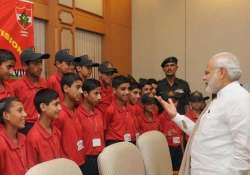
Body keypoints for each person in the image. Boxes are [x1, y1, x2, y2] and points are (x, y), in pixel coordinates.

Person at [156, 52, 250, 174]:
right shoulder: (221, 98)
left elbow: (245, 151)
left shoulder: (239, 99)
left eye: (207, 73)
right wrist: (175, 116)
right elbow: (200, 133)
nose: (204, 77)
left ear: (221, 73)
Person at [53, 73, 86, 172]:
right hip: (67, 167)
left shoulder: (77, 111)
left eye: (81, 87)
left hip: (81, 161)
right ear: (66, 88)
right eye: (77, 87)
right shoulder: (59, 114)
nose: (81, 91)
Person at [13, 48, 49, 134]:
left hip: (44, 123)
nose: (40, 67)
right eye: (36, 63)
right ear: (25, 65)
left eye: (41, 63)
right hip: (26, 127)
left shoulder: (45, 82)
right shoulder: (16, 86)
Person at [26, 88, 63, 168]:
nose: (60, 108)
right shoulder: (33, 137)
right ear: (43, 107)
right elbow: (32, 168)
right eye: (56, 104)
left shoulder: (56, 131)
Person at [76, 79, 105, 175]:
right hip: (87, 159)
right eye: (96, 93)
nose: (99, 97)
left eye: (100, 93)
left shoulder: (99, 113)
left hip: (101, 156)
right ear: (85, 93)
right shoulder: (77, 114)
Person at [104, 75, 137, 146]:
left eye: (129, 89)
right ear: (114, 90)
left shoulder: (131, 108)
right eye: (123, 89)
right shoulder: (110, 110)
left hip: (130, 143)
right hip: (115, 144)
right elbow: (105, 129)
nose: (127, 92)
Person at [0, 97, 28, 175]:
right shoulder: (1, 143)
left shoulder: (23, 138)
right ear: (6, 115)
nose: (25, 114)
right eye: (20, 111)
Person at [159, 91, 183, 171]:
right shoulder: (161, 117)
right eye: (170, 102)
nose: (172, 104)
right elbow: (157, 136)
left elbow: (182, 136)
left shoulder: (180, 116)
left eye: (174, 102)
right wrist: (166, 134)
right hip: (167, 148)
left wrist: (182, 151)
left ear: (178, 102)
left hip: (178, 148)